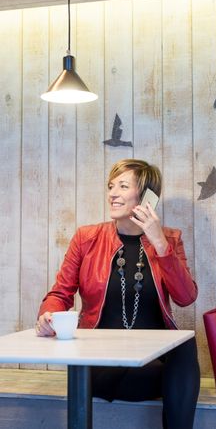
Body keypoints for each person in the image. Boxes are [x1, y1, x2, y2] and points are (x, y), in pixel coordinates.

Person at [36, 158, 200, 429]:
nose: (112, 193)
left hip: (151, 367)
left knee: (184, 344)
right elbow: (60, 293)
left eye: (123, 186)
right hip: (99, 364)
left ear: (147, 196)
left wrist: (158, 241)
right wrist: (48, 314)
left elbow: (186, 297)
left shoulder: (169, 239)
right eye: (111, 186)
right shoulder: (87, 238)